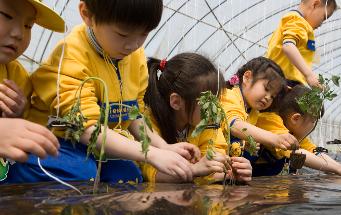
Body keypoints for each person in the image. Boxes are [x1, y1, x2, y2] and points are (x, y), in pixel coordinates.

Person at [8, 0, 198, 184]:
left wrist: (162, 146)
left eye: (144, 34)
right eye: (122, 35)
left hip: (98, 145)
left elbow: (133, 113)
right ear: (87, 14)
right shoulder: (71, 57)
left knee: (129, 175)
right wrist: (151, 153)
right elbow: (86, 129)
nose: (133, 45)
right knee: (82, 174)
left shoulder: (134, 56)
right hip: (56, 140)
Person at [141, 53, 252, 184]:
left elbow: (210, 164)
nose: (215, 109)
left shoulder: (206, 123)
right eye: (207, 103)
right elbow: (152, 174)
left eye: (216, 101)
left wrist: (231, 173)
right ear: (176, 102)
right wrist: (194, 170)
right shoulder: (148, 123)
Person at [0, 0, 63, 180]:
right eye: (6, 16)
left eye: (28, 25)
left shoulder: (16, 75)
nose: (19, 33)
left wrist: (16, 115)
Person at [253, 85, 341, 177]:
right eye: (313, 121)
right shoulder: (269, 121)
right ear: (296, 118)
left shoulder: (293, 133)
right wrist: (338, 169)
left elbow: (314, 151)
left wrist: (340, 168)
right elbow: (297, 154)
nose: (313, 127)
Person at [220, 57, 299, 160]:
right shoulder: (229, 95)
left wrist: (247, 145)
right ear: (247, 77)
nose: (268, 97)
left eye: (272, 96)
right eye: (267, 89)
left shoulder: (253, 113)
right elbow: (234, 125)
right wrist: (274, 138)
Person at [265, 0, 337, 88]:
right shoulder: (297, 21)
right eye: (323, 17)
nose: (321, 23)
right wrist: (309, 75)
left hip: (280, 79)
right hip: (283, 81)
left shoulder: (298, 24)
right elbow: (288, 46)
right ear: (315, 4)